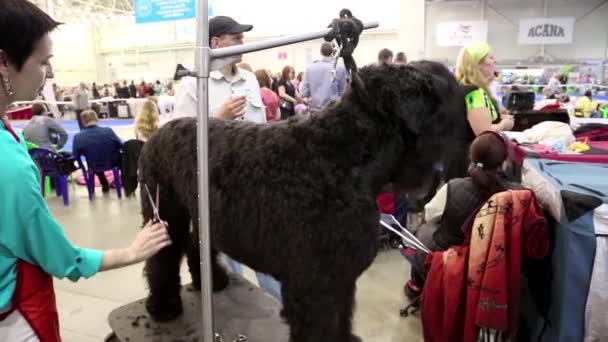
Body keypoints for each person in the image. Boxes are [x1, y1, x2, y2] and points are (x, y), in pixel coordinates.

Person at [0, 2, 170, 340]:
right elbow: (60, 257)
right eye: (44, 62)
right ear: (4, 61)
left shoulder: (12, 136)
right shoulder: (10, 167)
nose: (49, 74)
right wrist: (131, 252)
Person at [405, 131, 522, 299]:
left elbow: (430, 214)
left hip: (451, 259)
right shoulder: (515, 194)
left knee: (423, 230)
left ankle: (416, 286)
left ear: (471, 158)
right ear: (504, 163)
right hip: (491, 264)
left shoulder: (453, 187)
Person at [173, 16, 266, 123]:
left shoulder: (250, 78)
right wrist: (219, 118)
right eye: (236, 38)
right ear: (216, 43)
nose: (242, 44)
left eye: (242, 38)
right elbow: (182, 135)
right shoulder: (192, 84)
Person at [444, 41, 514, 181]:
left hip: (460, 159)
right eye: (490, 57)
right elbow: (484, 132)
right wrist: (505, 124)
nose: (495, 61)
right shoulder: (474, 92)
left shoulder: (464, 88)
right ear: (478, 64)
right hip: (467, 163)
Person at [72, 110, 122, 193]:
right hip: (112, 162)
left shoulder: (78, 137)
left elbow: (75, 156)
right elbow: (120, 145)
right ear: (96, 119)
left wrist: (82, 167)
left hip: (94, 165)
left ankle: (103, 183)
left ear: (83, 122)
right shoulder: (108, 131)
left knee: (94, 159)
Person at [300, 42, 347, 113]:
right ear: (332, 52)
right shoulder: (340, 69)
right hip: (333, 111)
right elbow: (343, 93)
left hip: (315, 112)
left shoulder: (310, 68)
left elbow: (304, 93)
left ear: (321, 52)